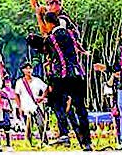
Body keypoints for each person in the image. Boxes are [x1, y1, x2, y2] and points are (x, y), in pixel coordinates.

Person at [27, 11, 91, 150]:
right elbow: (78, 46)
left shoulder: (51, 39)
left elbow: (48, 53)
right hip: (78, 74)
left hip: (62, 76)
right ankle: (86, 142)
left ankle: (64, 133)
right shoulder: (72, 34)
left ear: (49, 24)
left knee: (55, 101)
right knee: (81, 109)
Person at [12, 62, 48, 147]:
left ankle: (44, 142)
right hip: (25, 106)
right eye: (26, 68)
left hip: (36, 106)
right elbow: (16, 95)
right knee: (28, 126)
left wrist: (42, 97)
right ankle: (29, 143)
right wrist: (19, 107)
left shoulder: (37, 80)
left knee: (41, 124)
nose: (28, 70)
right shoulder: (19, 82)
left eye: (30, 68)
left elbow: (46, 88)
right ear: (23, 70)